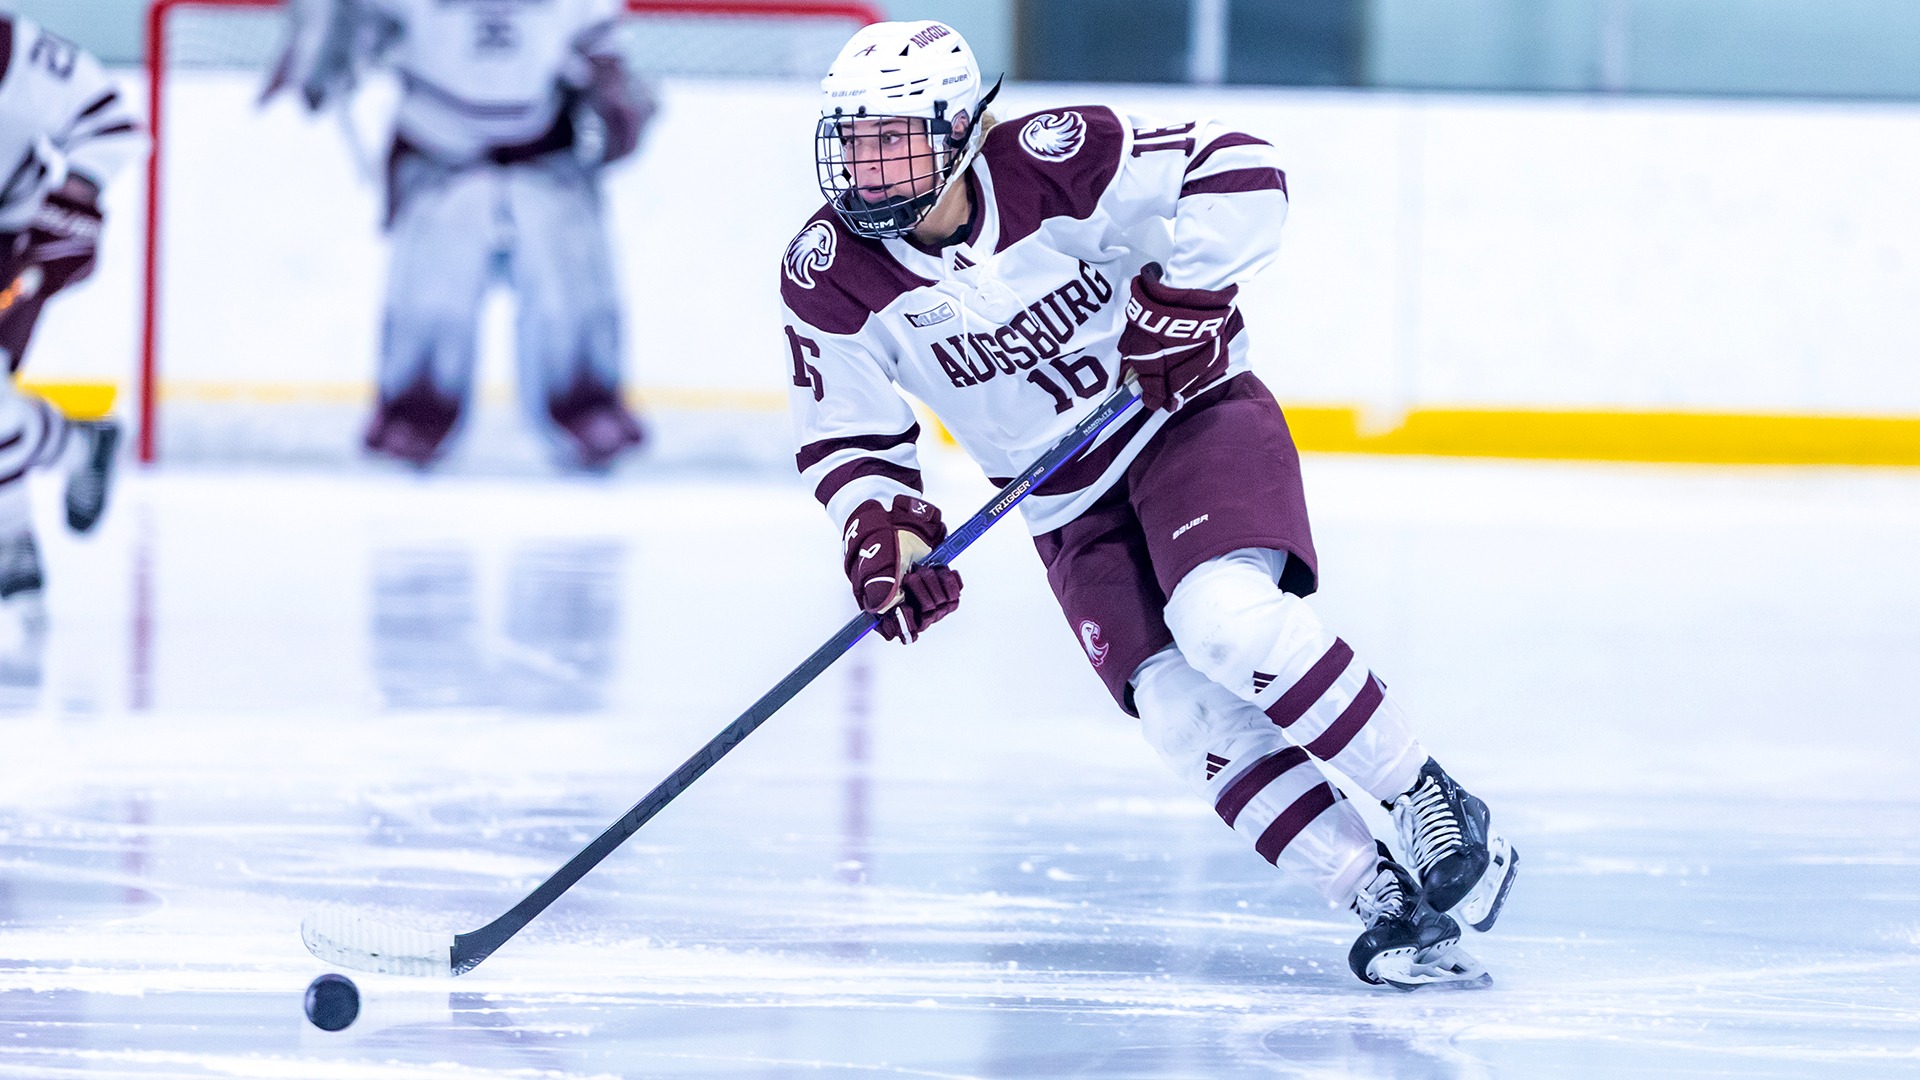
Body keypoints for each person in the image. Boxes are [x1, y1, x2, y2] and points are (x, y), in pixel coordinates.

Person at [781, 21, 1519, 989]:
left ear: (961, 131)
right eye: (856, 143)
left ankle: (1426, 797)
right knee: (1178, 712)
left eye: (896, 142)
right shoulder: (830, 274)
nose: (871, 171)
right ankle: (1386, 900)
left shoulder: (1056, 160)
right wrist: (886, 531)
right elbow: (852, 436)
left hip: (1189, 420)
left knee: (1225, 625)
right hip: (1059, 499)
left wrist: (1191, 298)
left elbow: (1242, 169)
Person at [265, 0, 652, 469]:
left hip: (545, 146)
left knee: (570, 291)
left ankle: (586, 407)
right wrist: (325, 45)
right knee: (430, 297)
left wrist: (614, 90)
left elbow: (597, 42)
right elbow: (355, 22)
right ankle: (414, 414)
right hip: (437, 149)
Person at [0, 12, 140, 610]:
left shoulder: (17, 54)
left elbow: (114, 126)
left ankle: (12, 546)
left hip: (10, 244)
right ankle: (79, 447)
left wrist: (76, 195)